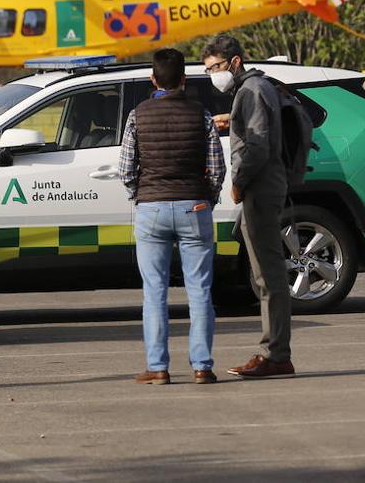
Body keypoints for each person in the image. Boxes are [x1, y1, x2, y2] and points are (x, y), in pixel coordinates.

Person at [118, 48, 226, 385]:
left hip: (151, 209)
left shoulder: (138, 115)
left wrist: (141, 194)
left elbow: (125, 168)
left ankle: (158, 367)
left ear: (153, 79)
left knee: (154, 291)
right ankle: (202, 366)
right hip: (194, 207)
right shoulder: (201, 115)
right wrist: (206, 196)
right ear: (183, 80)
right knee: (200, 290)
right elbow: (217, 168)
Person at [202, 34, 295, 379]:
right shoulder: (253, 89)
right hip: (264, 185)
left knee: (268, 275)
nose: (214, 75)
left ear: (235, 62)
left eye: (216, 68)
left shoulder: (252, 90)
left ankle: (275, 354)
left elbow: (256, 147)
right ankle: (274, 351)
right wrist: (234, 119)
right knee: (265, 274)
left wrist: (238, 184)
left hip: (260, 186)